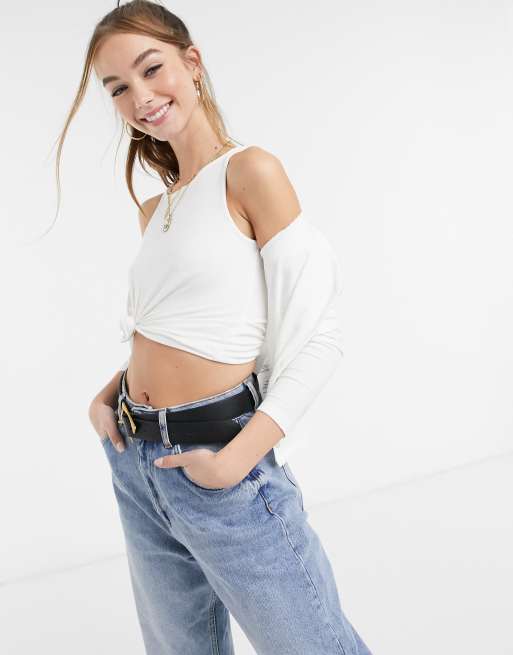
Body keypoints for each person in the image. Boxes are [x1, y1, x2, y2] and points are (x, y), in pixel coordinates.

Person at [56, 1, 374, 653]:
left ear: (192, 63)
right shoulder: (155, 210)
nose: (140, 97)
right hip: (136, 464)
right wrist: (107, 394)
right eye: (118, 88)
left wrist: (235, 459)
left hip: (221, 460)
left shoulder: (250, 171)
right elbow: (184, 329)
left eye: (151, 69)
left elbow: (320, 337)